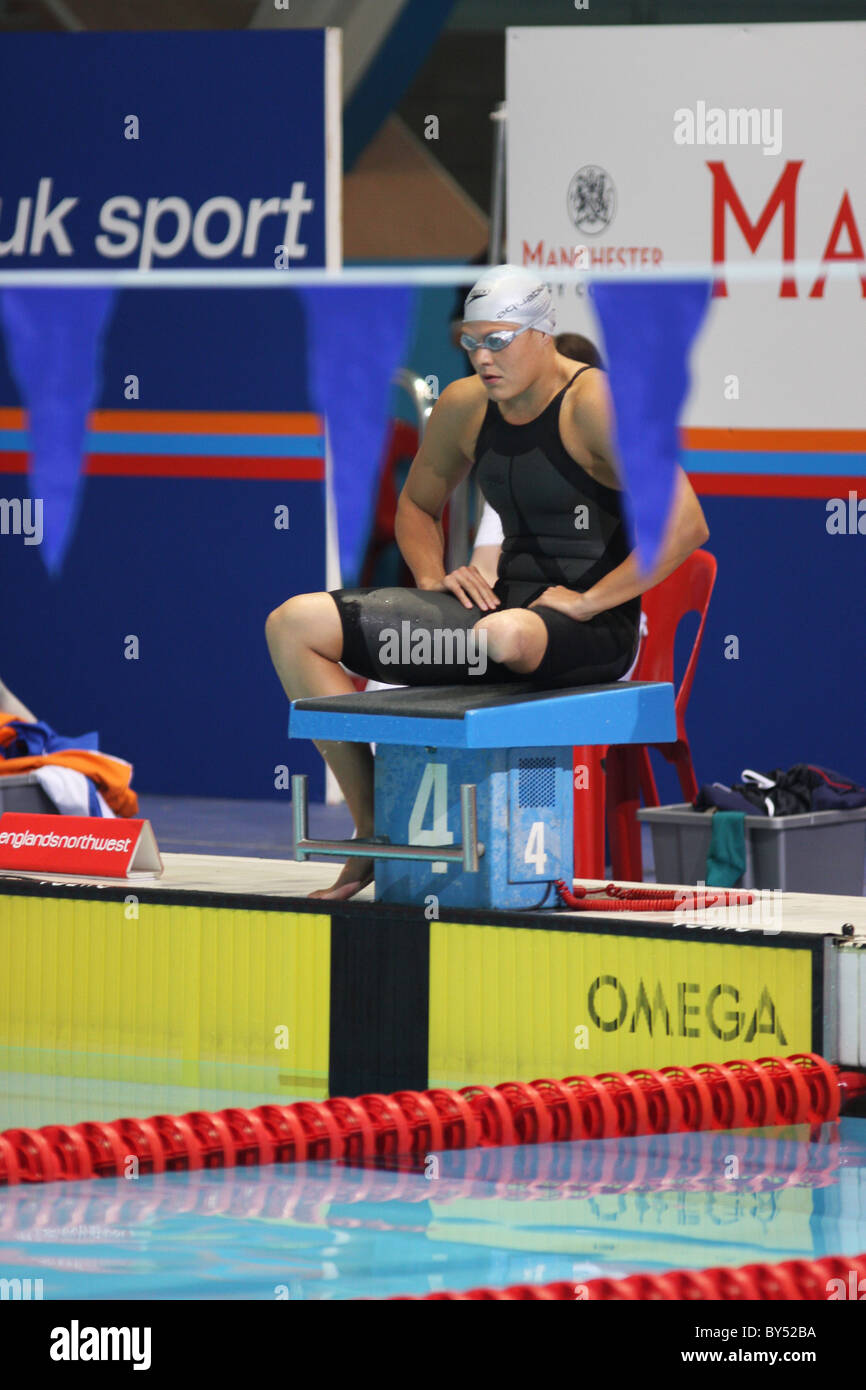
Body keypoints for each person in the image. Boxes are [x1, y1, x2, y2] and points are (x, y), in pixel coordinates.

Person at [266, 264, 709, 901]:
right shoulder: (464, 407)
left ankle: (502, 646)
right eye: (471, 341)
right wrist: (430, 583)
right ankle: (375, 829)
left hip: (594, 634)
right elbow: (417, 505)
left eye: (497, 340)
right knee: (293, 625)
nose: (481, 357)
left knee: (505, 636)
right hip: (498, 619)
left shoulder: (596, 403)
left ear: (542, 334)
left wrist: (588, 601)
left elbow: (686, 521)